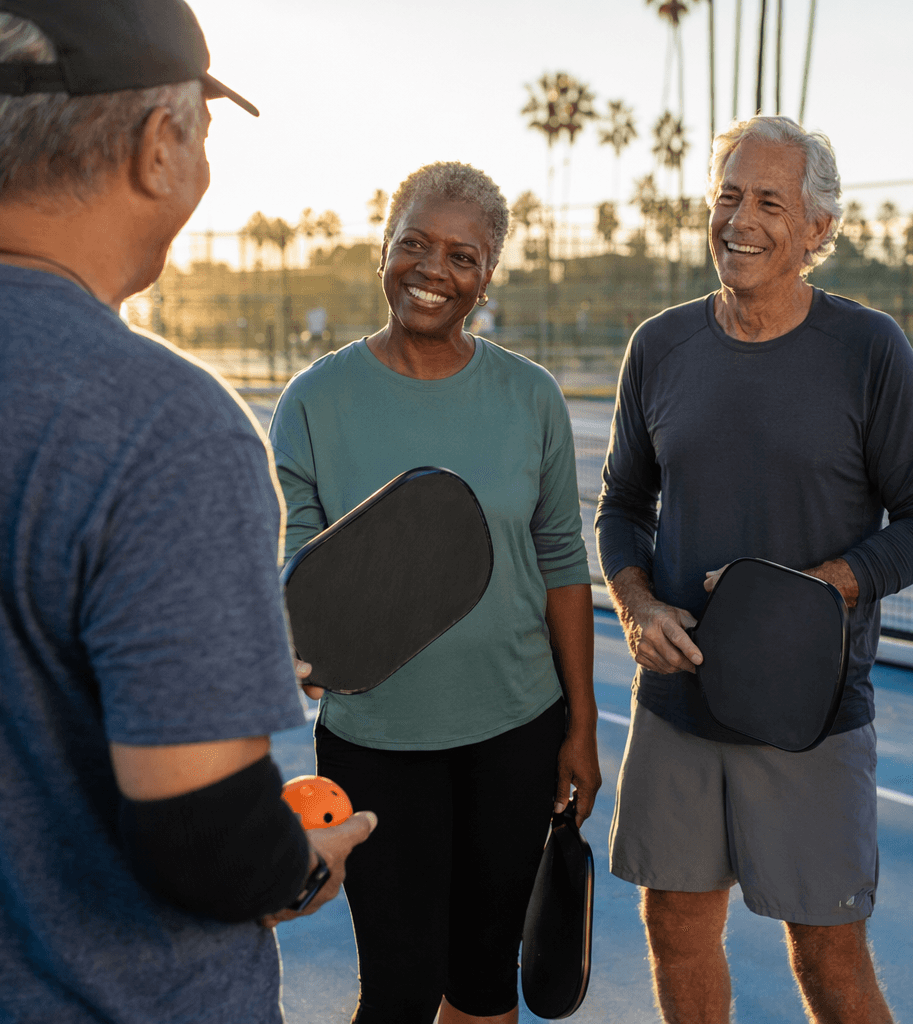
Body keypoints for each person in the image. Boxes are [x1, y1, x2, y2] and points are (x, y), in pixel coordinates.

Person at [0, 2, 375, 1022]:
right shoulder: (167, 429)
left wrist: (196, 664)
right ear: (163, 146)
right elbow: (204, 832)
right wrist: (303, 867)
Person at [597, 115, 913, 1024]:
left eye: (768, 200)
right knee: (676, 929)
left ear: (819, 229)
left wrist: (807, 592)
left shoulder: (869, 350)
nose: (739, 219)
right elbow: (620, 508)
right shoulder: (660, 346)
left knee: (829, 959)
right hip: (677, 707)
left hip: (813, 716)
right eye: (727, 196)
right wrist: (637, 605)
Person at [269, 161, 599, 1024]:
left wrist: (582, 725)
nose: (433, 271)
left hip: (517, 733)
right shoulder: (313, 401)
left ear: (487, 276)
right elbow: (304, 566)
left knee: (485, 980)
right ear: (385, 246)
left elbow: (563, 560)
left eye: (462, 255)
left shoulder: (531, 397)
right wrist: (297, 640)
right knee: (400, 992)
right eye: (413, 243)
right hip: (375, 741)